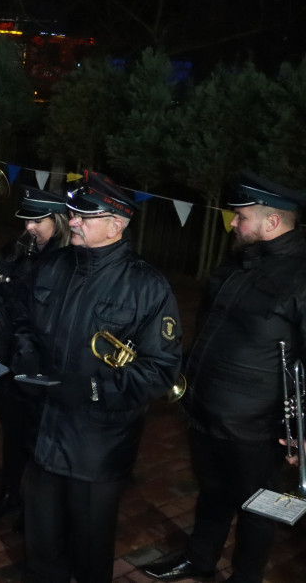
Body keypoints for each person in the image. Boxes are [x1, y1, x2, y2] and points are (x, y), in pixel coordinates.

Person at [12, 171, 182, 583]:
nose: (73, 221)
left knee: (90, 551)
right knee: (40, 545)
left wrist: (91, 389)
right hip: (42, 432)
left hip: (97, 444)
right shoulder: (51, 265)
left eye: (86, 216)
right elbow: (21, 318)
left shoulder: (147, 287)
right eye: (73, 213)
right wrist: (27, 354)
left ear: (116, 224)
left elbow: (160, 369)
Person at [139, 171, 306, 583]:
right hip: (204, 406)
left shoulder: (300, 277)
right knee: (212, 492)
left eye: (241, 217)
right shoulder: (240, 260)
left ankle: (246, 576)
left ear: (271, 222)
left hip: (256, 426)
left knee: (257, 507)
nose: (232, 223)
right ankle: (200, 559)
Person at [0, 188, 71, 524]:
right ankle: (10, 493)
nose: (28, 226)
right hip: (6, 355)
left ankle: (36, 511)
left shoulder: (69, 260)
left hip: (42, 366)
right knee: (13, 432)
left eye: (37, 220)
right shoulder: (15, 250)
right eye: (26, 218)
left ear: (57, 221)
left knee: (38, 439)